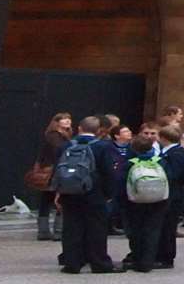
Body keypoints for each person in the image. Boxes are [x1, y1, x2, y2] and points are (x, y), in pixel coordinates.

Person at [59, 114, 126, 274]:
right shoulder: (103, 146)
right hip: (94, 192)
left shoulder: (67, 145)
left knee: (71, 227)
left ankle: (72, 263)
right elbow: (109, 172)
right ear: (98, 131)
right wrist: (109, 193)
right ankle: (99, 262)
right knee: (96, 228)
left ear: (79, 128)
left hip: (69, 191)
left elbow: (59, 168)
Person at [118, 121, 171, 272]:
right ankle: (147, 261)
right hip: (158, 201)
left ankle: (137, 257)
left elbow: (121, 183)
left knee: (135, 230)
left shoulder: (129, 163)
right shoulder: (160, 161)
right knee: (152, 231)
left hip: (134, 202)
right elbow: (170, 178)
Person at [152, 123, 184, 270]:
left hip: (173, 194)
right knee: (164, 226)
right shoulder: (173, 152)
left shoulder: (175, 154)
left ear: (163, 138)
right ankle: (161, 255)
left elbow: (174, 174)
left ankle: (166, 258)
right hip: (172, 193)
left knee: (168, 227)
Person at [33, 113, 73, 241]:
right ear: (57, 122)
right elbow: (58, 152)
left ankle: (47, 230)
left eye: (69, 119)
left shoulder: (64, 135)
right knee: (55, 199)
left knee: (48, 200)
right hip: (53, 170)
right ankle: (55, 230)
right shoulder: (54, 136)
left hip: (54, 169)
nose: (68, 121)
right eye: (64, 119)